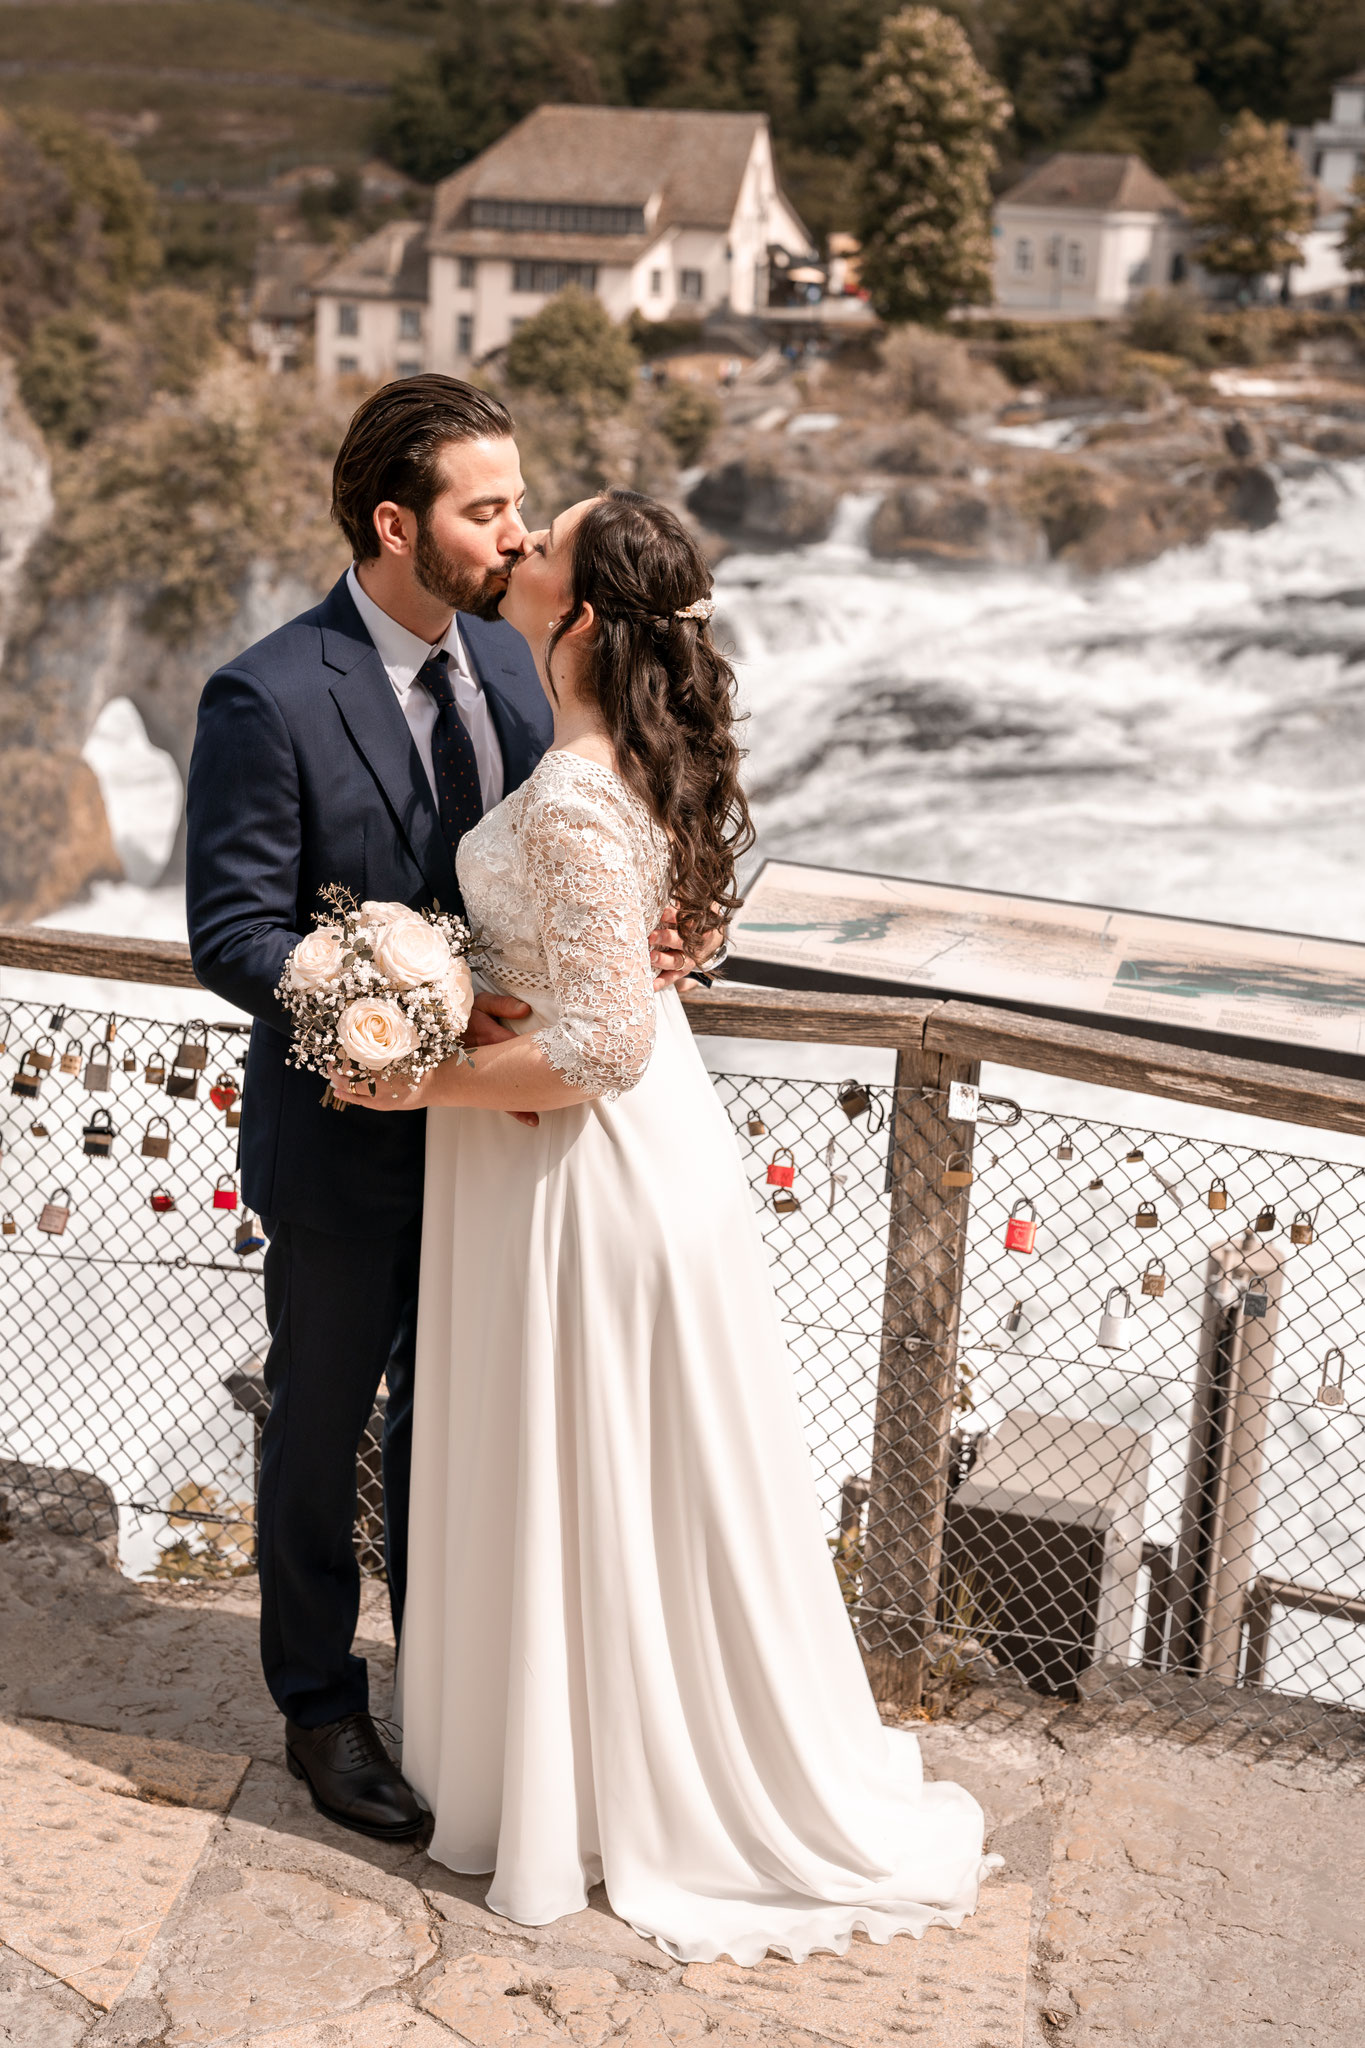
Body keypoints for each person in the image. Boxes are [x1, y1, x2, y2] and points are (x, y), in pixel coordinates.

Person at [332, 489, 992, 1964]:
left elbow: (602, 1051)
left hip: (581, 1173)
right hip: (615, 1158)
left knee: (585, 1473)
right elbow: (647, 963)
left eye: (540, 541)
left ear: (575, 614)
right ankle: (590, 1761)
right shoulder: (624, 757)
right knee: (612, 1486)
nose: (517, 548)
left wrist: (406, 1082)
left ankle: (595, 1791)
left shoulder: (573, 789)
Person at [185, 380, 702, 1841]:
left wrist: (669, 943)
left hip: (510, 1149)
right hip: (346, 1135)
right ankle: (320, 1707)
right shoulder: (264, 693)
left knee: (460, 1431)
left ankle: (457, 1696)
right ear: (398, 524)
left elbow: (615, 842)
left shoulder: (527, 655)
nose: (520, 528)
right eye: (487, 509)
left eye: (519, 501)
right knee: (322, 1424)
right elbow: (231, 931)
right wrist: (397, 998)